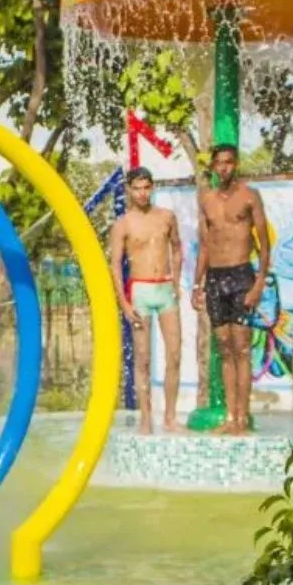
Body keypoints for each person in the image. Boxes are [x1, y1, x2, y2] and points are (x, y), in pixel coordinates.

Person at [192, 144, 270, 435]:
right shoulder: (206, 200)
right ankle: (230, 416)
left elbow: (263, 242)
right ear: (212, 167)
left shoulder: (249, 197)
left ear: (235, 164)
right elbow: (204, 245)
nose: (223, 168)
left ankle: (242, 417)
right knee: (224, 348)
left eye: (228, 162)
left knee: (242, 347)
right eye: (218, 163)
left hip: (241, 275)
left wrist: (259, 281)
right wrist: (198, 283)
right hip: (215, 277)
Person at [107, 167, 185, 433]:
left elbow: (177, 247)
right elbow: (115, 264)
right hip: (139, 291)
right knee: (143, 359)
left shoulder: (166, 217)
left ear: (152, 188)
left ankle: (171, 417)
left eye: (146, 187)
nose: (142, 193)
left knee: (174, 354)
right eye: (137, 188)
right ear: (129, 189)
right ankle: (145, 417)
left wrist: (176, 281)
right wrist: (124, 302)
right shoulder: (123, 224)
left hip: (164, 290)